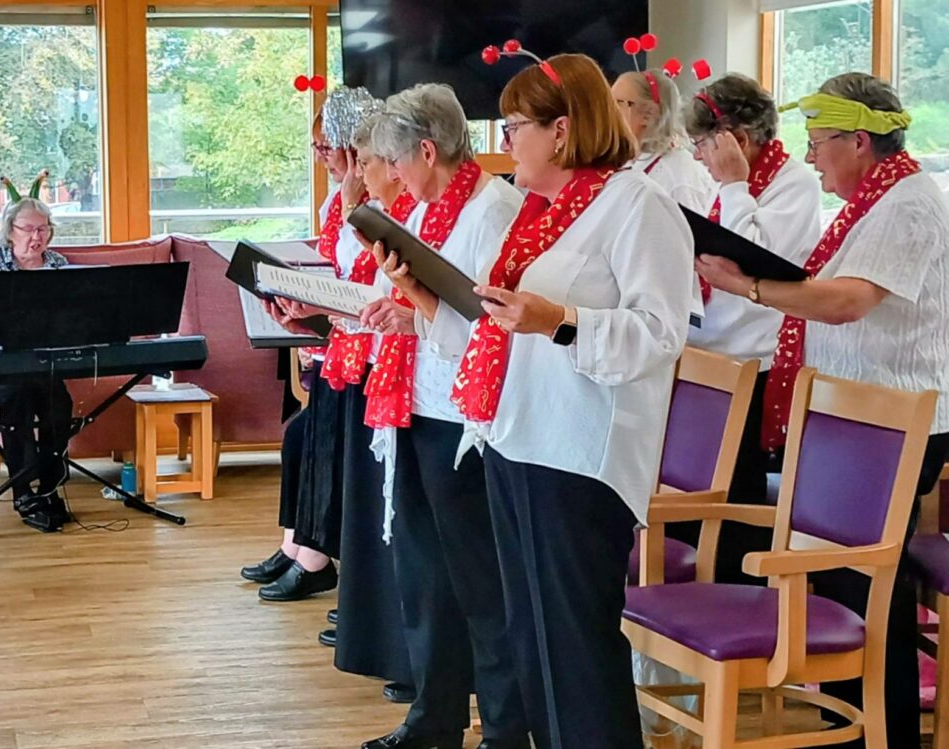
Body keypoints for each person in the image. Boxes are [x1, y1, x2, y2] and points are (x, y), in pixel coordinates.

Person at [386, 54, 694, 748]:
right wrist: (423, 295)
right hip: (514, 435)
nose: (503, 141)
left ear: (562, 130)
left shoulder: (637, 205)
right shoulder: (538, 212)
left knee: (574, 645)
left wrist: (559, 318)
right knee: (530, 637)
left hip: (580, 452)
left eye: (514, 125)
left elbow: (661, 333)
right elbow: (501, 324)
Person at [696, 71, 949, 749]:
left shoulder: (909, 202)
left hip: (896, 418)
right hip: (856, 417)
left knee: (866, 588)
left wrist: (750, 285)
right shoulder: (874, 197)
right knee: (839, 584)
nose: (809, 158)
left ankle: (883, 733)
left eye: (820, 142)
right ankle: (847, 730)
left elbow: (845, 300)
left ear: (860, 141)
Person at [358, 83, 528, 749]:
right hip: (418, 404)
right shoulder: (427, 211)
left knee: (481, 582)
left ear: (428, 150)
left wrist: (415, 306)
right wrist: (392, 309)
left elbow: (488, 322)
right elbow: (427, 307)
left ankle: (507, 729)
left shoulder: (493, 209)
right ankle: (435, 717)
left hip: (470, 421)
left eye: (397, 161)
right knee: (427, 577)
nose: (393, 175)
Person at [682, 73, 822, 585]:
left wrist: (736, 185)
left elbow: (761, 262)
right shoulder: (721, 182)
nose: (697, 156)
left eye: (702, 144)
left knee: (734, 498)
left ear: (737, 141)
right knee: (699, 497)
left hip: (755, 360)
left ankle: (737, 598)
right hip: (708, 353)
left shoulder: (794, 184)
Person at [240, 100, 364, 601]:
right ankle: (295, 545)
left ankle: (314, 556)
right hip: (337, 339)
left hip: (362, 348)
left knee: (308, 436)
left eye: (326, 148)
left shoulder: (366, 198)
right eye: (316, 148)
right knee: (298, 436)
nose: (321, 158)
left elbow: (355, 274)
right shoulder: (336, 198)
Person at [323, 112, 418, 702]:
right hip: (377, 361)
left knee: (398, 518)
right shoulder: (380, 211)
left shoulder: (407, 213)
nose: (362, 172)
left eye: (371, 161)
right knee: (375, 510)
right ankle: (377, 634)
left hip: (408, 377)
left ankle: (406, 649)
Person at [0, 178, 73, 533]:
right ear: (9, 230)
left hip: (42, 363)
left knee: (58, 401)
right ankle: (22, 491)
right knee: (18, 396)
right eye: (28, 229)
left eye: (43, 229)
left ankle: (49, 486)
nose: (37, 236)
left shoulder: (58, 264)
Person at [612, 68, 714, 212]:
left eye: (618, 104)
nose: (608, 113)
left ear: (648, 114)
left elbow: (692, 233)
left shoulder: (678, 178)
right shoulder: (631, 162)